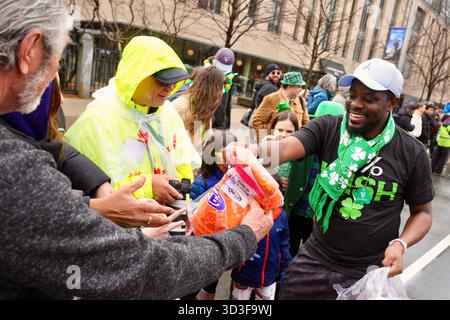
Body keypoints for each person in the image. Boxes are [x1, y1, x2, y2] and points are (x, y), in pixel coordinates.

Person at [0, 0, 274, 299]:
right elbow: (138, 266)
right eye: (59, 57)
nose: (57, 72)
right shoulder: (15, 167)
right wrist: (242, 238)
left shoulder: (163, 113)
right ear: (30, 49)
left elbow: (55, 151)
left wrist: (100, 192)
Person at [237, 58, 433, 299]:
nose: (356, 104)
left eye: (369, 99)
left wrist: (401, 244)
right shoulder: (329, 128)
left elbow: (423, 212)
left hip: (367, 273)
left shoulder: (411, 153)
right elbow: (286, 147)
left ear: (392, 102)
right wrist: (253, 151)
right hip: (314, 260)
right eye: (352, 95)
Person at [66, 36, 201, 205]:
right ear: (136, 76)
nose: (171, 88)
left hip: (163, 219)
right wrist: (148, 186)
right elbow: (93, 190)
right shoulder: (97, 121)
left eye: (174, 80)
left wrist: (181, 189)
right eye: (163, 80)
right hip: (120, 226)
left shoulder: (166, 113)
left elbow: (182, 161)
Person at [284, 101, 346, 257]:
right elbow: (282, 160)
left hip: (317, 219)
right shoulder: (303, 147)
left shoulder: (343, 155)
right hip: (296, 211)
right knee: (287, 251)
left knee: (309, 257)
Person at [172, 66, 224, 152]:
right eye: (221, 86)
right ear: (212, 88)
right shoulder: (182, 106)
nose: (223, 90)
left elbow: (198, 143)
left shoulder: (204, 108)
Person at [252, 72, 309, 142]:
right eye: (299, 86)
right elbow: (257, 121)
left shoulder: (301, 100)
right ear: (289, 87)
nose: (301, 89)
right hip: (274, 145)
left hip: (292, 146)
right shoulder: (271, 99)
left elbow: (306, 124)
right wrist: (265, 141)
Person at [243, 63, 283, 128]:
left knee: (253, 137)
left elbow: (255, 99)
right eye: (273, 73)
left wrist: (251, 108)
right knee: (258, 137)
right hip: (262, 121)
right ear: (267, 74)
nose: (276, 75)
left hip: (257, 119)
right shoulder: (270, 88)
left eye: (278, 73)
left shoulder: (264, 84)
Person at [207, 48, 236, 130]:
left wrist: (226, 127)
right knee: (197, 141)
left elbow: (227, 104)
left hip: (219, 125)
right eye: (221, 68)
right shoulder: (203, 73)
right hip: (201, 123)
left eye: (225, 69)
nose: (223, 72)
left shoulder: (229, 78)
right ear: (215, 60)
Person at [431, 103, 450, 176]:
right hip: (447, 144)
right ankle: (438, 172)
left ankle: (432, 169)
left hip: (440, 143)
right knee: (442, 159)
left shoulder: (442, 124)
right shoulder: (449, 126)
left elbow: (438, 131)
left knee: (435, 157)